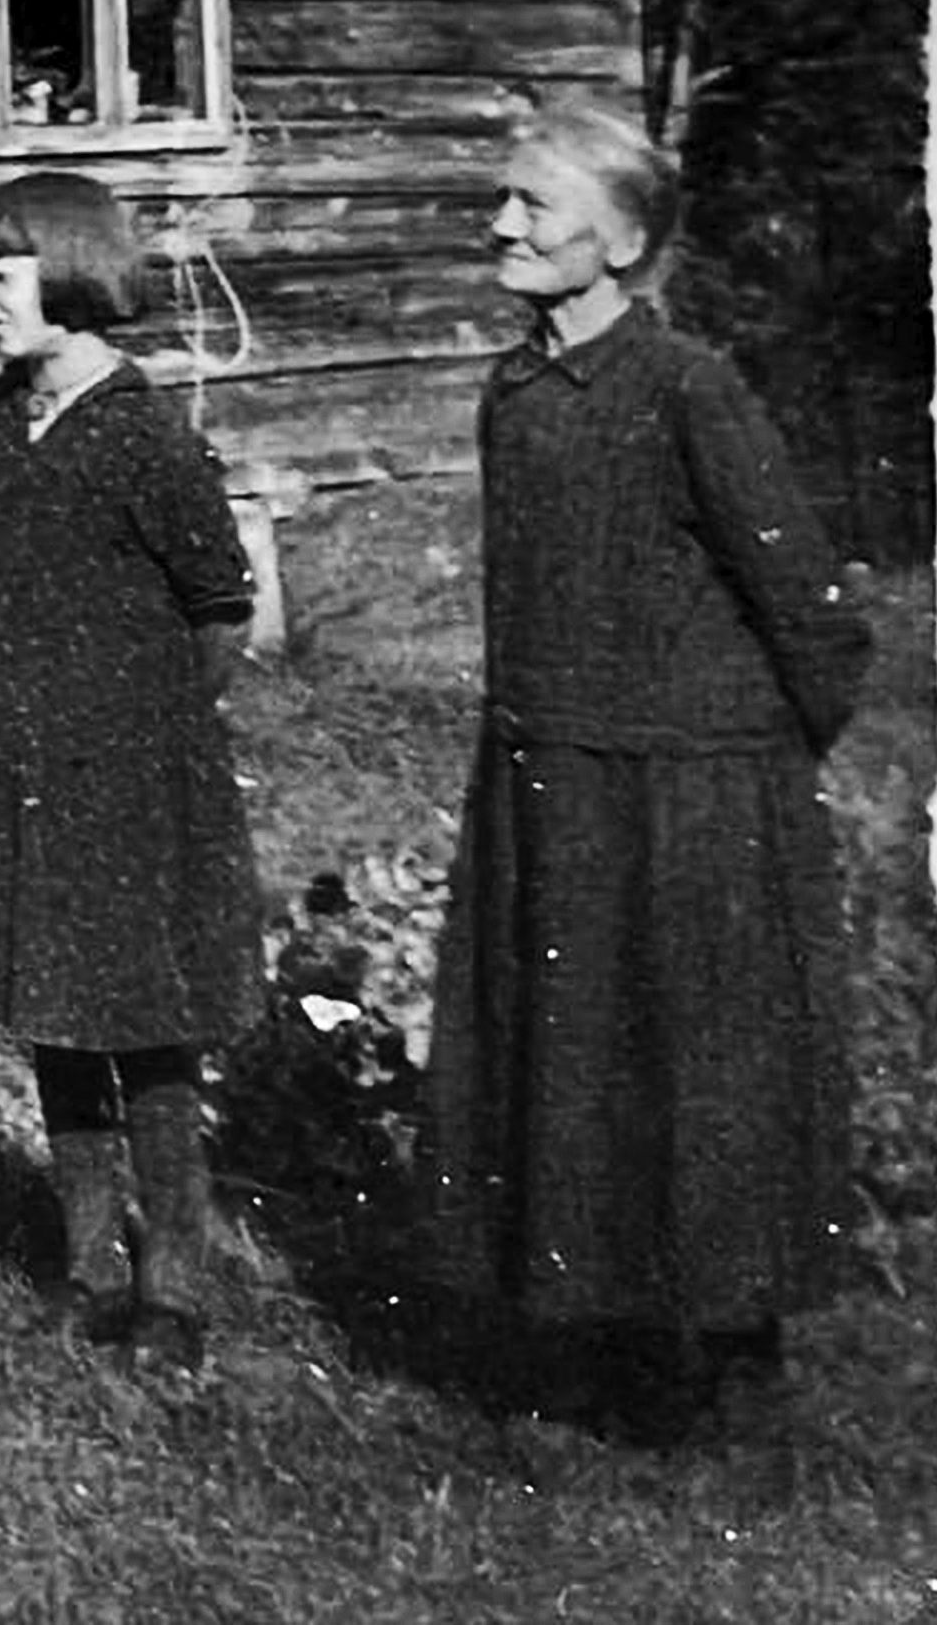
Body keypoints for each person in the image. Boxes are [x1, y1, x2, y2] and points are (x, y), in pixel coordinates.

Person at [423, 96, 869, 1436]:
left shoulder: (689, 388)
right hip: (552, 766)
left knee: (705, 1061)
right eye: (503, 199)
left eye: (534, 207)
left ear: (618, 241)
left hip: (696, 787)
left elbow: (810, 607)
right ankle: (596, 1331)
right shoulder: (518, 386)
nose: (501, 224)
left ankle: (735, 1361)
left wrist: (755, 768)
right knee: (568, 1052)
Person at [0, 172, 262, 1374]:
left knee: (150, 1031)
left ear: (72, 277)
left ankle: (175, 1282)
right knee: (56, 1021)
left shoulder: (143, 437)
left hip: (134, 778)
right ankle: (86, 1266)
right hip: (22, 768)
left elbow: (220, 607)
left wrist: (143, 725)